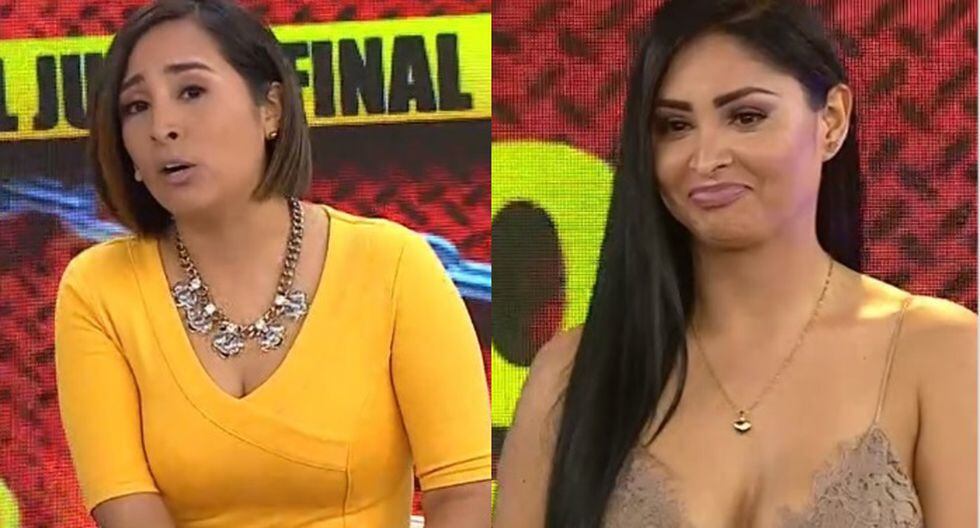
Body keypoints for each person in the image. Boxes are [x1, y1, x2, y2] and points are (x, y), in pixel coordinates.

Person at [494, 0, 976, 527]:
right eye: (675, 126)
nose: (706, 159)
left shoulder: (940, 352)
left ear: (832, 120)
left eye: (746, 117)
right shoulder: (569, 375)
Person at [54, 1, 491, 526]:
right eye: (136, 106)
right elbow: (125, 505)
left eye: (191, 91)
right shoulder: (98, 289)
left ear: (271, 110)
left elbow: (460, 495)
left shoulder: (394, 265)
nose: (162, 126)